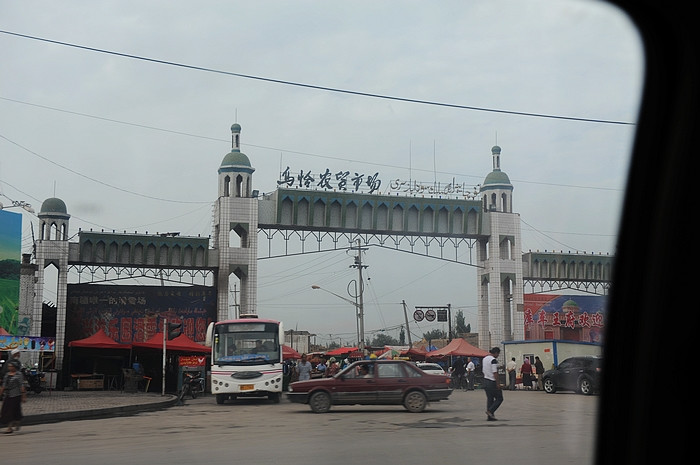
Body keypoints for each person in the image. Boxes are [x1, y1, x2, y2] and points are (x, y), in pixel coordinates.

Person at [0, 359, 27, 433]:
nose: (10, 367)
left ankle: (10, 427)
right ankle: (14, 423)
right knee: (5, 410)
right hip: (8, 395)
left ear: (15, 367)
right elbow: (4, 385)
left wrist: (23, 395)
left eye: (11, 366)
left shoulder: (18, 375)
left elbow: (21, 385)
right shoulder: (7, 375)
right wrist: (1, 393)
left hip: (16, 395)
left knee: (12, 411)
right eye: (9, 366)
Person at [483, 347, 503, 421]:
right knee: (499, 398)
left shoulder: (484, 359)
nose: (498, 356)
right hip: (492, 381)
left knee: (490, 398)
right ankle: (490, 411)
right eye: (498, 354)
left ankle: (490, 417)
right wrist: (498, 384)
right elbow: (495, 372)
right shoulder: (493, 360)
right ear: (496, 353)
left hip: (485, 380)